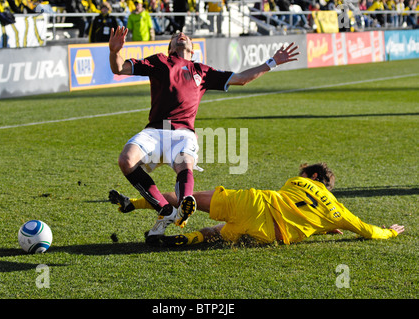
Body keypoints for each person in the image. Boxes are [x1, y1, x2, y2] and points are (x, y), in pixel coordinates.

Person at [108, 26, 299, 242]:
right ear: (170, 47)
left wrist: (272, 63)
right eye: (175, 36)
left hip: (183, 134)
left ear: (192, 48)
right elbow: (119, 68)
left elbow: (241, 78)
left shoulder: (202, 71)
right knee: (126, 160)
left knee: (184, 164)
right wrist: (115, 51)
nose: (180, 34)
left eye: (185, 36)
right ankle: (165, 210)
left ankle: (185, 202)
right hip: (155, 130)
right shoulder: (160, 61)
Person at [112, 163, 405, 246]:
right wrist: (389, 232)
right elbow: (367, 230)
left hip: (253, 201)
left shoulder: (297, 182)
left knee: (186, 198)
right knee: (218, 232)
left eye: (305, 171)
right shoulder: (339, 214)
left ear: (312, 177)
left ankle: (136, 203)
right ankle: (182, 239)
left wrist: (321, 228)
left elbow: (295, 204)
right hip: (268, 233)